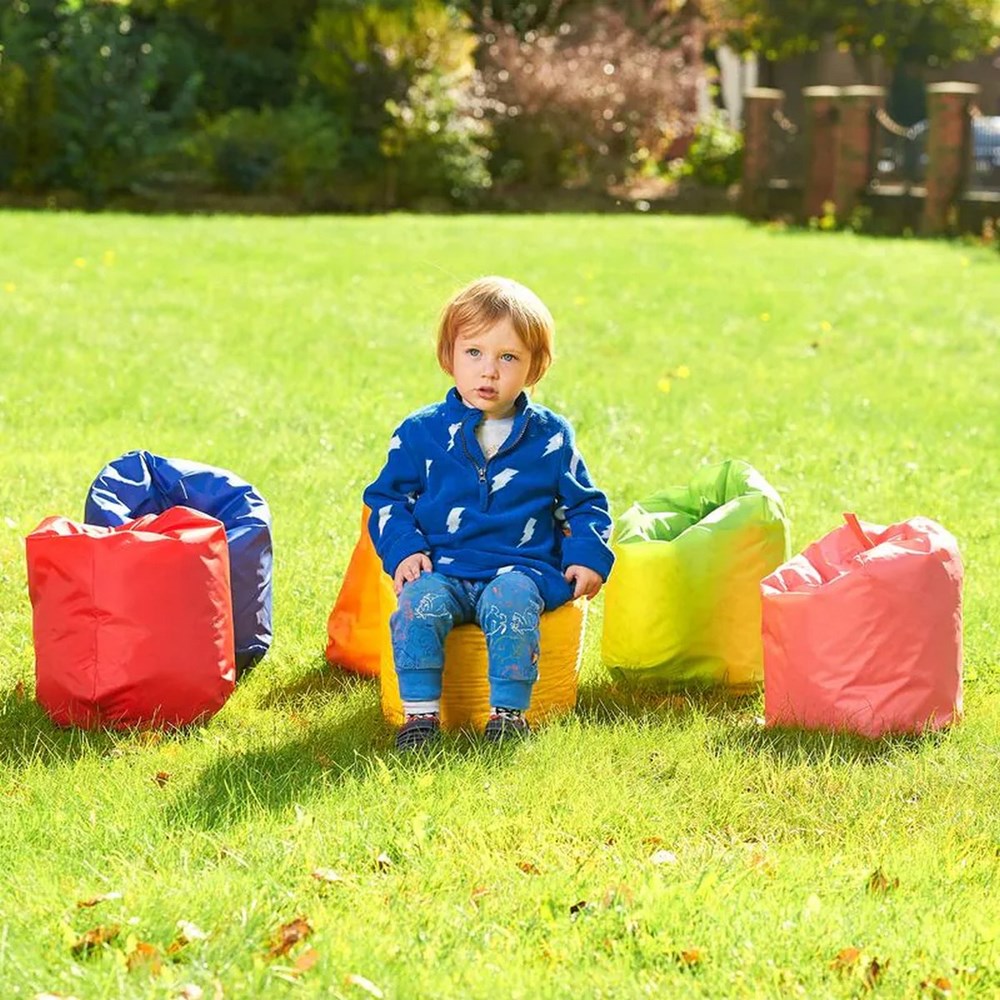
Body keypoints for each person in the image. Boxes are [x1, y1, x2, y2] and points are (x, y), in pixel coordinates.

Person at [363, 276, 614, 750]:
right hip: (445, 567)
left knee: (512, 604)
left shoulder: (551, 436)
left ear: (534, 367)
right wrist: (404, 550)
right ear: (449, 356)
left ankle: (508, 715)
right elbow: (386, 499)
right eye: (474, 353)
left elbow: (585, 503)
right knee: (419, 606)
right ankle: (419, 717)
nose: (489, 372)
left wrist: (588, 556)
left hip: (523, 568)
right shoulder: (420, 433)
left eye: (508, 357)